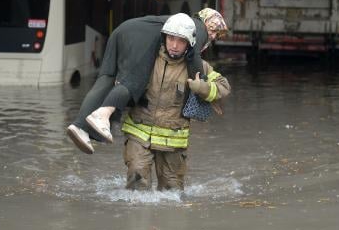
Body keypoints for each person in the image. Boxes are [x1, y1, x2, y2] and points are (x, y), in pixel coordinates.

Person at [66, 9, 228, 154]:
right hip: (139, 38)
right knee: (133, 81)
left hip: (123, 30)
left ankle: (80, 126)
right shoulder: (197, 27)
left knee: (106, 79)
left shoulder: (180, 20)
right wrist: (202, 85)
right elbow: (194, 58)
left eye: (216, 36)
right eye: (214, 31)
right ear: (206, 21)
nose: (212, 36)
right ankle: (102, 115)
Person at [120, 13, 231, 190]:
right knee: (136, 186)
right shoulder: (147, 58)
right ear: (164, 37)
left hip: (173, 144)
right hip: (138, 135)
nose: (174, 45)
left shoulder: (197, 66)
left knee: (171, 194)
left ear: (190, 43)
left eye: (181, 41)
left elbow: (224, 88)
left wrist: (201, 87)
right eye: (171, 38)